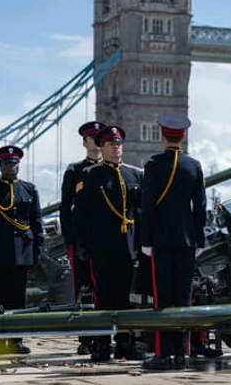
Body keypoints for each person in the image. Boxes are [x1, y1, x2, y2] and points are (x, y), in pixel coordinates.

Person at [140, 113, 208, 370]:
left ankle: (163, 353)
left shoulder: (153, 164)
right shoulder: (194, 165)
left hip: (161, 240)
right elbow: (200, 207)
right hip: (188, 240)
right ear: (184, 136)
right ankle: (183, 353)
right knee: (184, 297)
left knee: (163, 299)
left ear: (162, 135)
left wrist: (146, 240)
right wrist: (199, 239)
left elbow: (148, 206)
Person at [74, 125, 144, 362]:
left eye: (119, 143)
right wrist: (82, 244)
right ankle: (102, 343)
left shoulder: (135, 175)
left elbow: (140, 212)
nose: (116, 147)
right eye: (111, 143)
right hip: (102, 246)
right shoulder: (90, 175)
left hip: (128, 246)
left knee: (125, 298)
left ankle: (125, 342)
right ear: (101, 147)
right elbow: (80, 214)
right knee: (103, 297)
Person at [0, 146, 44, 356]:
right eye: (6, 163)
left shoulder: (29, 189)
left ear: (19, 164)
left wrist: (37, 249)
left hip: (22, 251)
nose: (11, 166)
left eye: (14, 163)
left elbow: (36, 221)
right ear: (0, 166)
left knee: (18, 298)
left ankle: (16, 340)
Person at [60, 120, 103, 355]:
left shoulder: (114, 168)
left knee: (105, 288)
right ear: (85, 142)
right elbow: (65, 208)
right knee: (84, 287)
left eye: (100, 137)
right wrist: (70, 239)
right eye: (92, 138)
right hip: (81, 239)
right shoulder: (74, 171)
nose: (96, 142)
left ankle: (105, 335)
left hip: (106, 239)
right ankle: (86, 337)